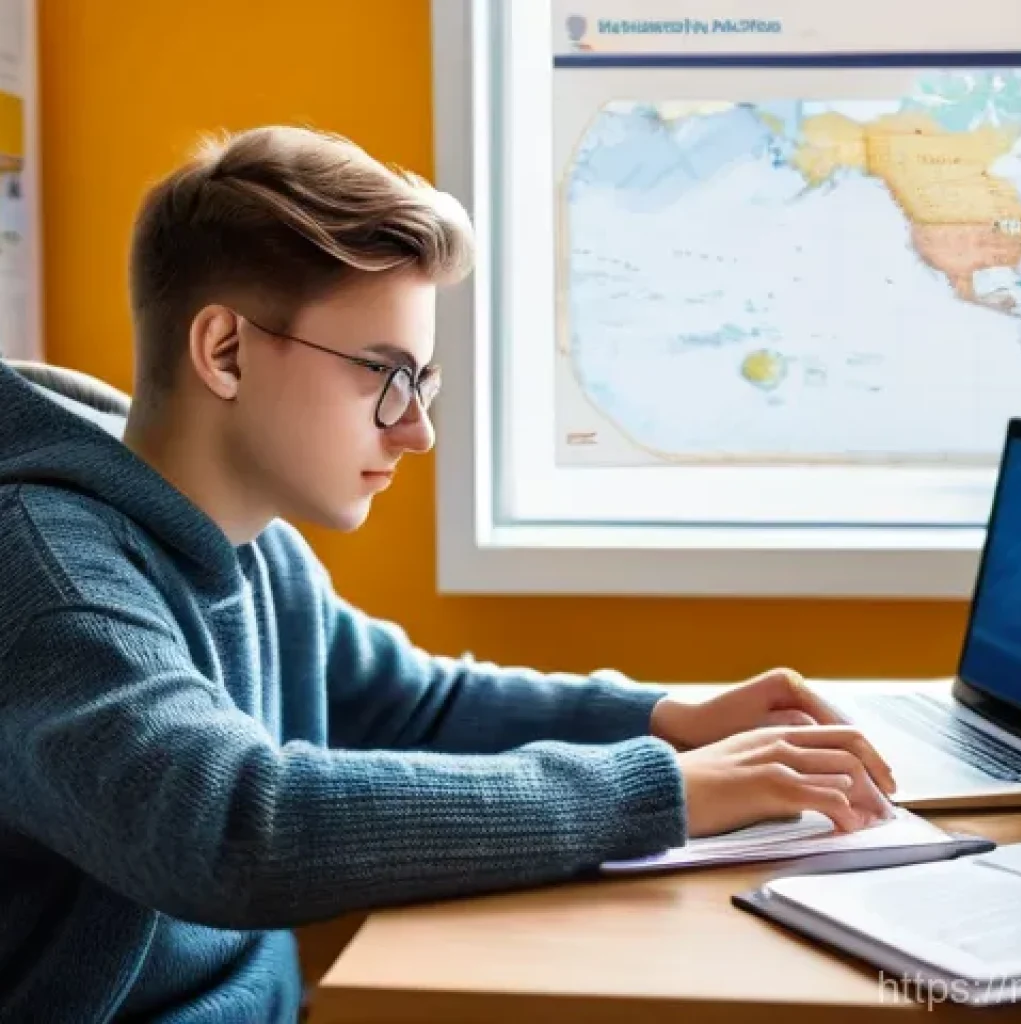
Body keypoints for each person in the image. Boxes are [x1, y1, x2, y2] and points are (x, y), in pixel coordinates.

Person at [0, 125, 895, 1023]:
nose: (415, 431)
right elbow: (237, 825)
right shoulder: (54, 580)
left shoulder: (250, 540)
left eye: (422, 384)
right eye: (382, 375)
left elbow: (409, 707)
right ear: (224, 351)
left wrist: (667, 721)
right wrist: (660, 792)